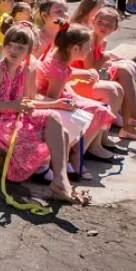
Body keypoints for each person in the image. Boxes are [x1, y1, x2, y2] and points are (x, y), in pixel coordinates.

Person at [0, 25, 88, 204]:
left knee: (56, 120)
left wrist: (54, 104)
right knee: (52, 134)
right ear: (4, 46)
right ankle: (59, 182)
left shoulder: (23, 70)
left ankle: (60, 181)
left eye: (20, 47)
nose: (13, 50)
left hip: (12, 117)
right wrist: (12, 105)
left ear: (28, 52)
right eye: (10, 45)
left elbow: (27, 102)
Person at [35, 22, 119, 175]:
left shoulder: (58, 55)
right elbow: (52, 101)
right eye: (87, 46)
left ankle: (77, 151)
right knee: (99, 111)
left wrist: (81, 74)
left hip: (63, 95)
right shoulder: (58, 71)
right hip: (55, 103)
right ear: (75, 48)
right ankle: (74, 154)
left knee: (101, 109)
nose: (90, 49)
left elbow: (65, 71)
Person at [84, 7, 136, 140]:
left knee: (125, 71)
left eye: (109, 24)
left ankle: (131, 123)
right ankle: (132, 121)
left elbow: (98, 67)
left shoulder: (103, 41)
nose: (103, 26)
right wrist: (105, 58)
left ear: (115, 28)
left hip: (94, 78)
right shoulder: (89, 40)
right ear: (93, 21)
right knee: (123, 74)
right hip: (81, 81)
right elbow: (90, 71)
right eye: (100, 22)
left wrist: (106, 61)